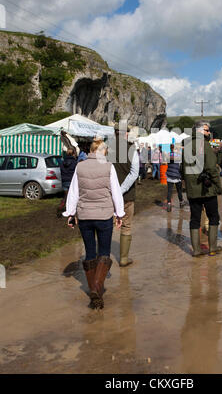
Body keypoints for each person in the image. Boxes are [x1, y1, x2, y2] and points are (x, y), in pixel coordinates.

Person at [63, 138, 124, 310]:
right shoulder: (108, 166)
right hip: (104, 215)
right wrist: (119, 214)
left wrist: (70, 214)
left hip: (84, 216)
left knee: (90, 252)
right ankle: (97, 288)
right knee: (104, 252)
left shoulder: (80, 166)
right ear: (102, 151)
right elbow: (116, 192)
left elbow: (74, 192)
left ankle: (93, 293)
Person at [183, 120, 222, 257]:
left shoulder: (187, 145)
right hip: (207, 188)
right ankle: (212, 247)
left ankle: (196, 250)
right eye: (206, 130)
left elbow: (182, 169)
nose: (209, 132)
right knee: (213, 217)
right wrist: (219, 186)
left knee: (194, 218)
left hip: (192, 189)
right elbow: (212, 168)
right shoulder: (204, 145)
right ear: (199, 131)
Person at [113, 123, 139, 267]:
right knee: (126, 225)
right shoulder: (131, 149)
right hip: (126, 194)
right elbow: (134, 173)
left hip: (108, 194)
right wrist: (121, 189)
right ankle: (123, 259)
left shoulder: (106, 148)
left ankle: (102, 257)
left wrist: (113, 189)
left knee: (106, 226)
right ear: (125, 133)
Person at [57, 147, 77, 215]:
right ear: (73, 154)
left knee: (66, 195)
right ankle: (69, 210)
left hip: (64, 181)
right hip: (71, 181)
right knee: (71, 196)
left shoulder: (62, 162)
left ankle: (62, 205)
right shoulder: (75, 162)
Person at [166, 144, 185, 212]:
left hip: (169, 175)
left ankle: (169, 203)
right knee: (179, 190)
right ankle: (181, 202)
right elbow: (180, 166)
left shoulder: (168, 155)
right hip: (177, 176)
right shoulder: (178, 156)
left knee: (169, 191)